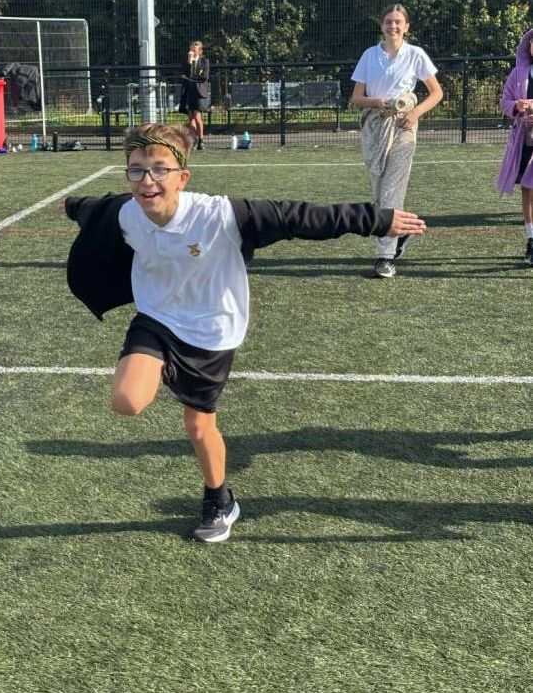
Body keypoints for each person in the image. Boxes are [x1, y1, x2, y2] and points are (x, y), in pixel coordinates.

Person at [62, 122, 426, 543]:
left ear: (183, 177)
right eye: (137, 169)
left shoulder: (220, 216)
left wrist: (377, 220)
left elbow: (299, 217)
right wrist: (70, 205)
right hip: (157, 318)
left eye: (160, 169)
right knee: (127, 400)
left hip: (212, 330)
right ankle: (158, 365)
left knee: (199, 427)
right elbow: (91, 208)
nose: (147, 181)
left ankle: (220, 499)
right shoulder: (125, 212)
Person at [350, 4, 443, 278]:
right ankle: (399, 232)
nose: (393, 26)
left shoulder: (416, 54)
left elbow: (436, 93)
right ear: (381, 25)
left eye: (398, 22)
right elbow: (356, 97)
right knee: (379, 193)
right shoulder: (369, 55)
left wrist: (414, 113)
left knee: (392, 191)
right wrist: (378, 102)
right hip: (375, 127)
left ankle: (385, 257)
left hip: (403, 128)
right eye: (389, 21)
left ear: (406, 27)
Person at [497, 27, 533, 267]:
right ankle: (532, 239)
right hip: (525, 140)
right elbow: (504, 102)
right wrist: (516, 106)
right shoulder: (518, 73)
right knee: (528, 189)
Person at [179, 40, 210, 150]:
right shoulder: (187, 62)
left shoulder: (205, 61)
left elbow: (204, 77)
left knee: (197, 116)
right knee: (191, 117)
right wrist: (189, 61)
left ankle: (201, 140)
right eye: (191, 48)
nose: (192, 50)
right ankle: (193, 140)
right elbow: (185, 74)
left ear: (200, 51)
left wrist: (190, 78)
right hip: (189, 91)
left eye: (194, 48)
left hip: (199, 92)